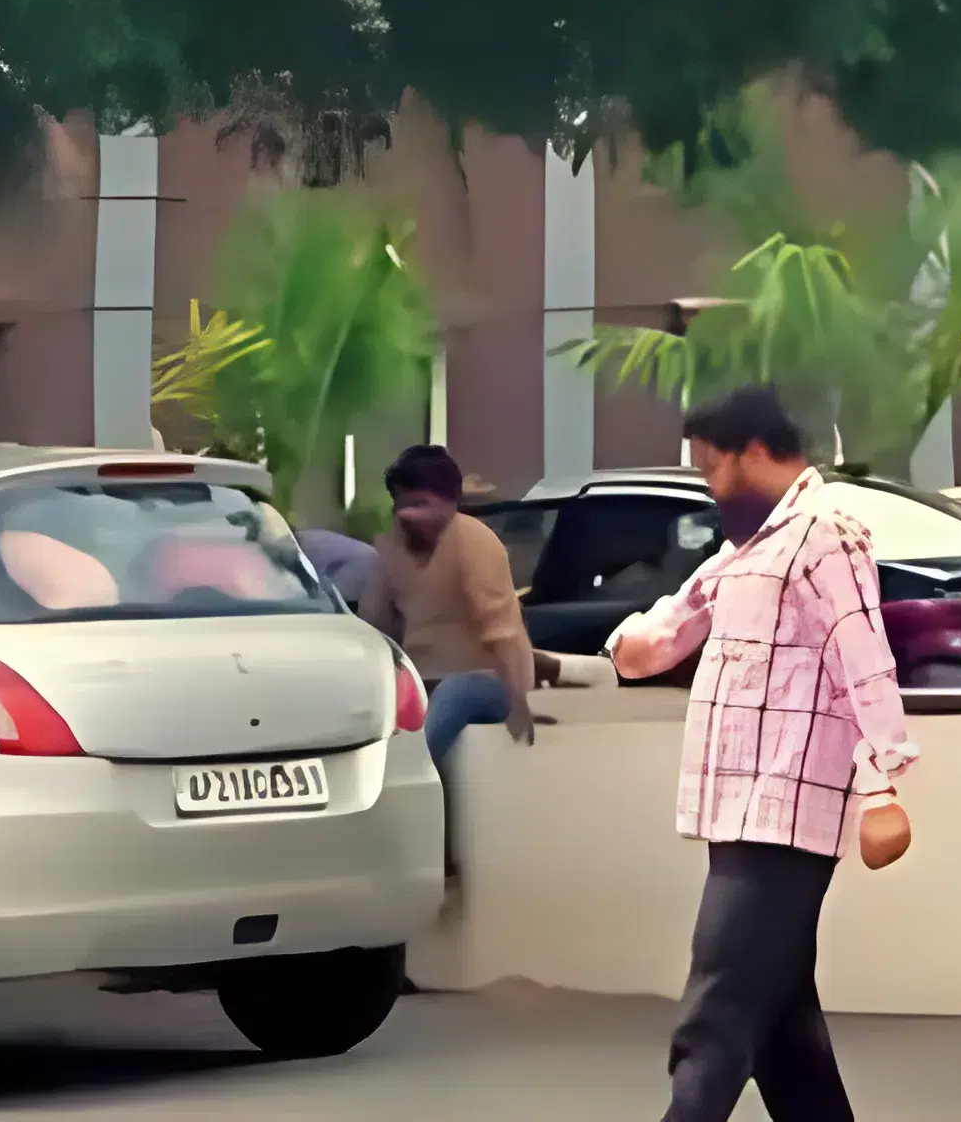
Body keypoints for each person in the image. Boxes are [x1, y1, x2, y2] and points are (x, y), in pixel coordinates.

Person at [609, 385, 911, 1122]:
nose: (707, 486)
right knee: (781, 1029)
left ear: (750, 455)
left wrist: (881, 790)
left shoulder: (824, 535)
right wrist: (633, 641)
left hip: (785, 813)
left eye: (711, 468)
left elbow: (862, 660)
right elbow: (672, 625)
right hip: (737, 812)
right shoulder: (748, 548)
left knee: (716, 1016)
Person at [355, 442, 539, 771]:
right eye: (401, 505)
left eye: (420, 504)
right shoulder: (391, 551)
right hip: (421, 682)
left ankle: (406, 775)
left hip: (485, 682)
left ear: (450, 503)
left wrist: (520, 702)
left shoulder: (475, 542)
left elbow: (504, 634)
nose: (407, 515)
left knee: (457, 691)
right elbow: (375, 629)